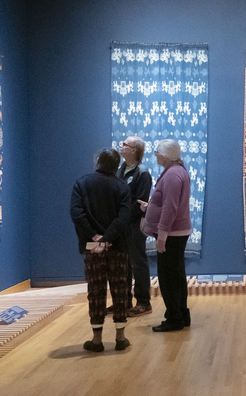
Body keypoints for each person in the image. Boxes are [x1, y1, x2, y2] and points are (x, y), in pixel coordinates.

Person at [70, 148, 132, 352]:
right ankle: (120, 338)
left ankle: (96, 340)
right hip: (117, 246)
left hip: (91, 247)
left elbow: (77, 214)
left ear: (98, 161)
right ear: (116, 166)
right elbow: (123, 218)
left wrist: (95, 237)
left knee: (95, 291)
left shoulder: (82, 183)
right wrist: (107, 238)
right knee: (120, 290)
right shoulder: (122, 186)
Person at [141, 139, 192, 332]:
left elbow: (171, 208)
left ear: (166, 155)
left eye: (157, 152)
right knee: (177, 275)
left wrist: (162, 235)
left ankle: (174, 318)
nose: (155, 155)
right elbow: (169, 204)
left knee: (168, 277)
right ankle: (181, 314)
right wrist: (150, 207)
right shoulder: (179, 171)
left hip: (172, 233)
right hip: (177, 231)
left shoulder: (172, 175)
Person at [119, 136, 154, 317]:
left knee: (138, 262)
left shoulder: (143, 173)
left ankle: (143, 303)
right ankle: (124, 301)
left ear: (133, 150)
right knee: (123, 263)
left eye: (125, 144)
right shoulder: (120, 170)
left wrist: (121, 213)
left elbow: (140, 202)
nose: (121, 146)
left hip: (135, 225)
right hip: (120, 226)